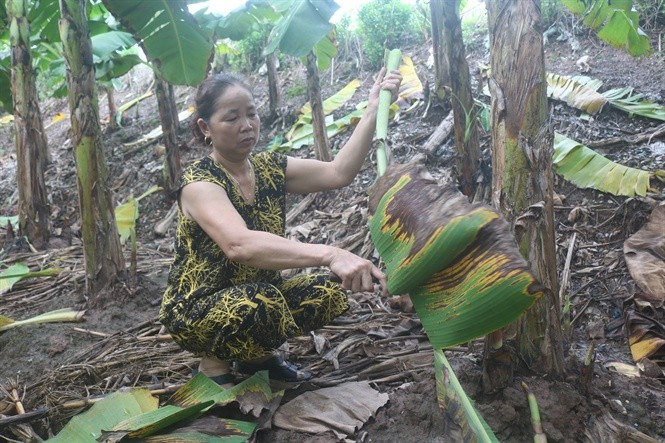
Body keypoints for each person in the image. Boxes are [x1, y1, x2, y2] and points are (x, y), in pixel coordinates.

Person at [160, 68, 402, 388]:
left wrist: (373, 110)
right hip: (197, 310)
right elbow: (239, 245)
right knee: (260, 303)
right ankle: (212, 364)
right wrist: (329, 253)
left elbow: (337, 172)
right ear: (205, 127)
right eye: (232, 118)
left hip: (257, 295)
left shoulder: (269, 168)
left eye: (252, 114)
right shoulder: (200, 183)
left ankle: (256, 358)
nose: (246, 125)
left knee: (324, 293)